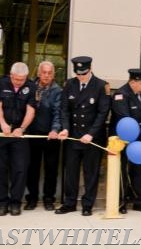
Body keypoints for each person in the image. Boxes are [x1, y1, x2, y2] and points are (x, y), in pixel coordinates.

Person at [55, 56, 110, 216]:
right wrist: (65, 129)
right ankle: (69, 203)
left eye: (84, 73)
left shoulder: (101, 85)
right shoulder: (69, 84)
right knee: (70, 172)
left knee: (90, 173)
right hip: (72, 137)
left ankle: (87, 204)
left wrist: (91, 134)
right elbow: (64, 109)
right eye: (78, 74)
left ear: (90, 69)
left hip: (92, 138)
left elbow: (103, 113)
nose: (81, 76)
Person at [0, 62, 37, 216]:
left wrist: (21, 128)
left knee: (20, 169)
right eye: (16, 79)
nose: (19, 82)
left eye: (22, 80)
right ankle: (2, 204)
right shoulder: (0, 83)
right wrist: (3, 124)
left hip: (19, 133)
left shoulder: (31, 87)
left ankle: (15, 203)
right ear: (11, 75)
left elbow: (31, 111)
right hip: (1, 132)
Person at [110, 68, 141, 213]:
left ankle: (139, 201)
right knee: (122, 171)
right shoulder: (120, 95)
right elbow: (126, 120)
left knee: (139, 170)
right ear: (133, 82)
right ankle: (121, 202)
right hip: (123, 139)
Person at [25, 60, 61, 211]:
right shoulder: (30, 87)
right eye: (44, 72)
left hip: (50, 136)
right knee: (32, 169)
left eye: (49, 73)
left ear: (53, 75)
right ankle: (32, 199)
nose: (46, 75)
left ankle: (48, 199)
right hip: (32, 135)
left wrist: (55, 130)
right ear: (38, 73)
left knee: (51, 169)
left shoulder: (58, 90)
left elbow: (58, 113)